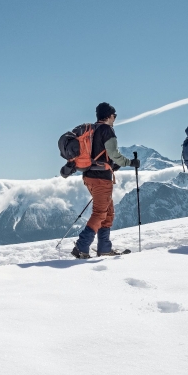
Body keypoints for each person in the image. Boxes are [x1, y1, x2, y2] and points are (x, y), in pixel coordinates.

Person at [71, 102, 140, 259]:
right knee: (100, 213)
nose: (115, 119)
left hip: (89, 176)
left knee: (108, 212)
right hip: (101, 179)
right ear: (109, 116)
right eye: (114, 116)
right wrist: (130, 163)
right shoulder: (107, 130)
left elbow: (101, 155)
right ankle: (81, 247)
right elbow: (114, 154)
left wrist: (111, 165)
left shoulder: (92, 130)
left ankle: (104, 248)